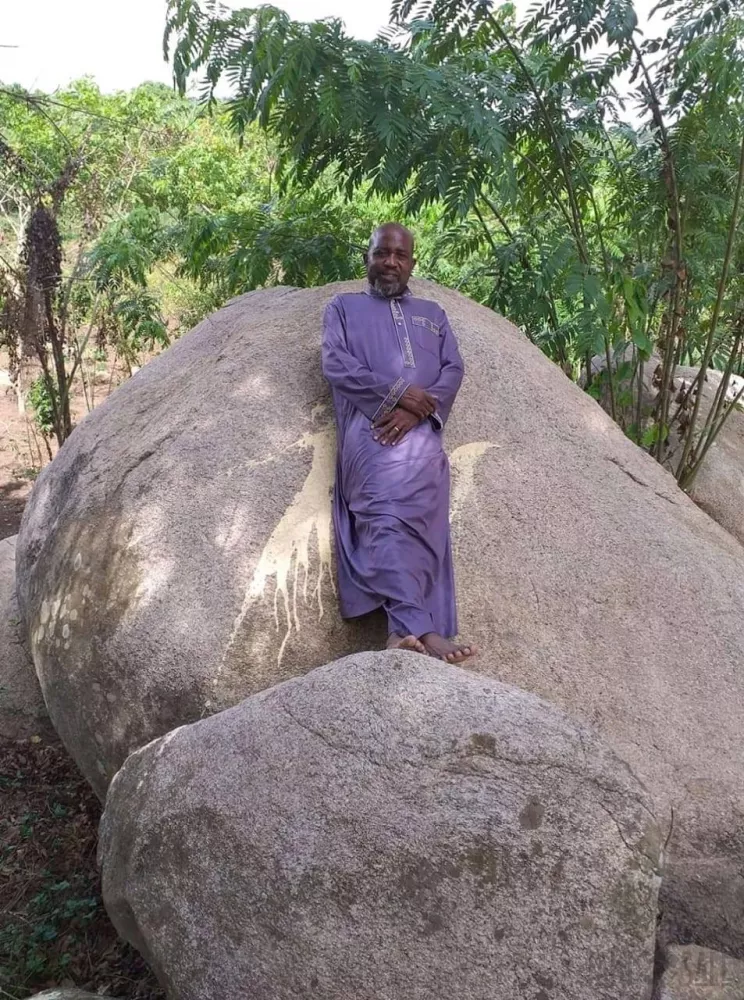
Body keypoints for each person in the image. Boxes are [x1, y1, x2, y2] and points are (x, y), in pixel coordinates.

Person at [321, 222, 476, 662]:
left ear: (412, 263)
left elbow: (453, 369)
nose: (390, 262)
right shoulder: (343, 308)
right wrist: (397, 394)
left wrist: (415, 410)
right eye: (381, 253)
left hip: (422, 439)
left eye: (400, 255)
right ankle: (420, 629)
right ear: (367, 258)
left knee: (424, 528)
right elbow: (336, 364)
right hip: (371, 434)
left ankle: (401, 634)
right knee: (384, 518)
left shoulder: (433, 314)